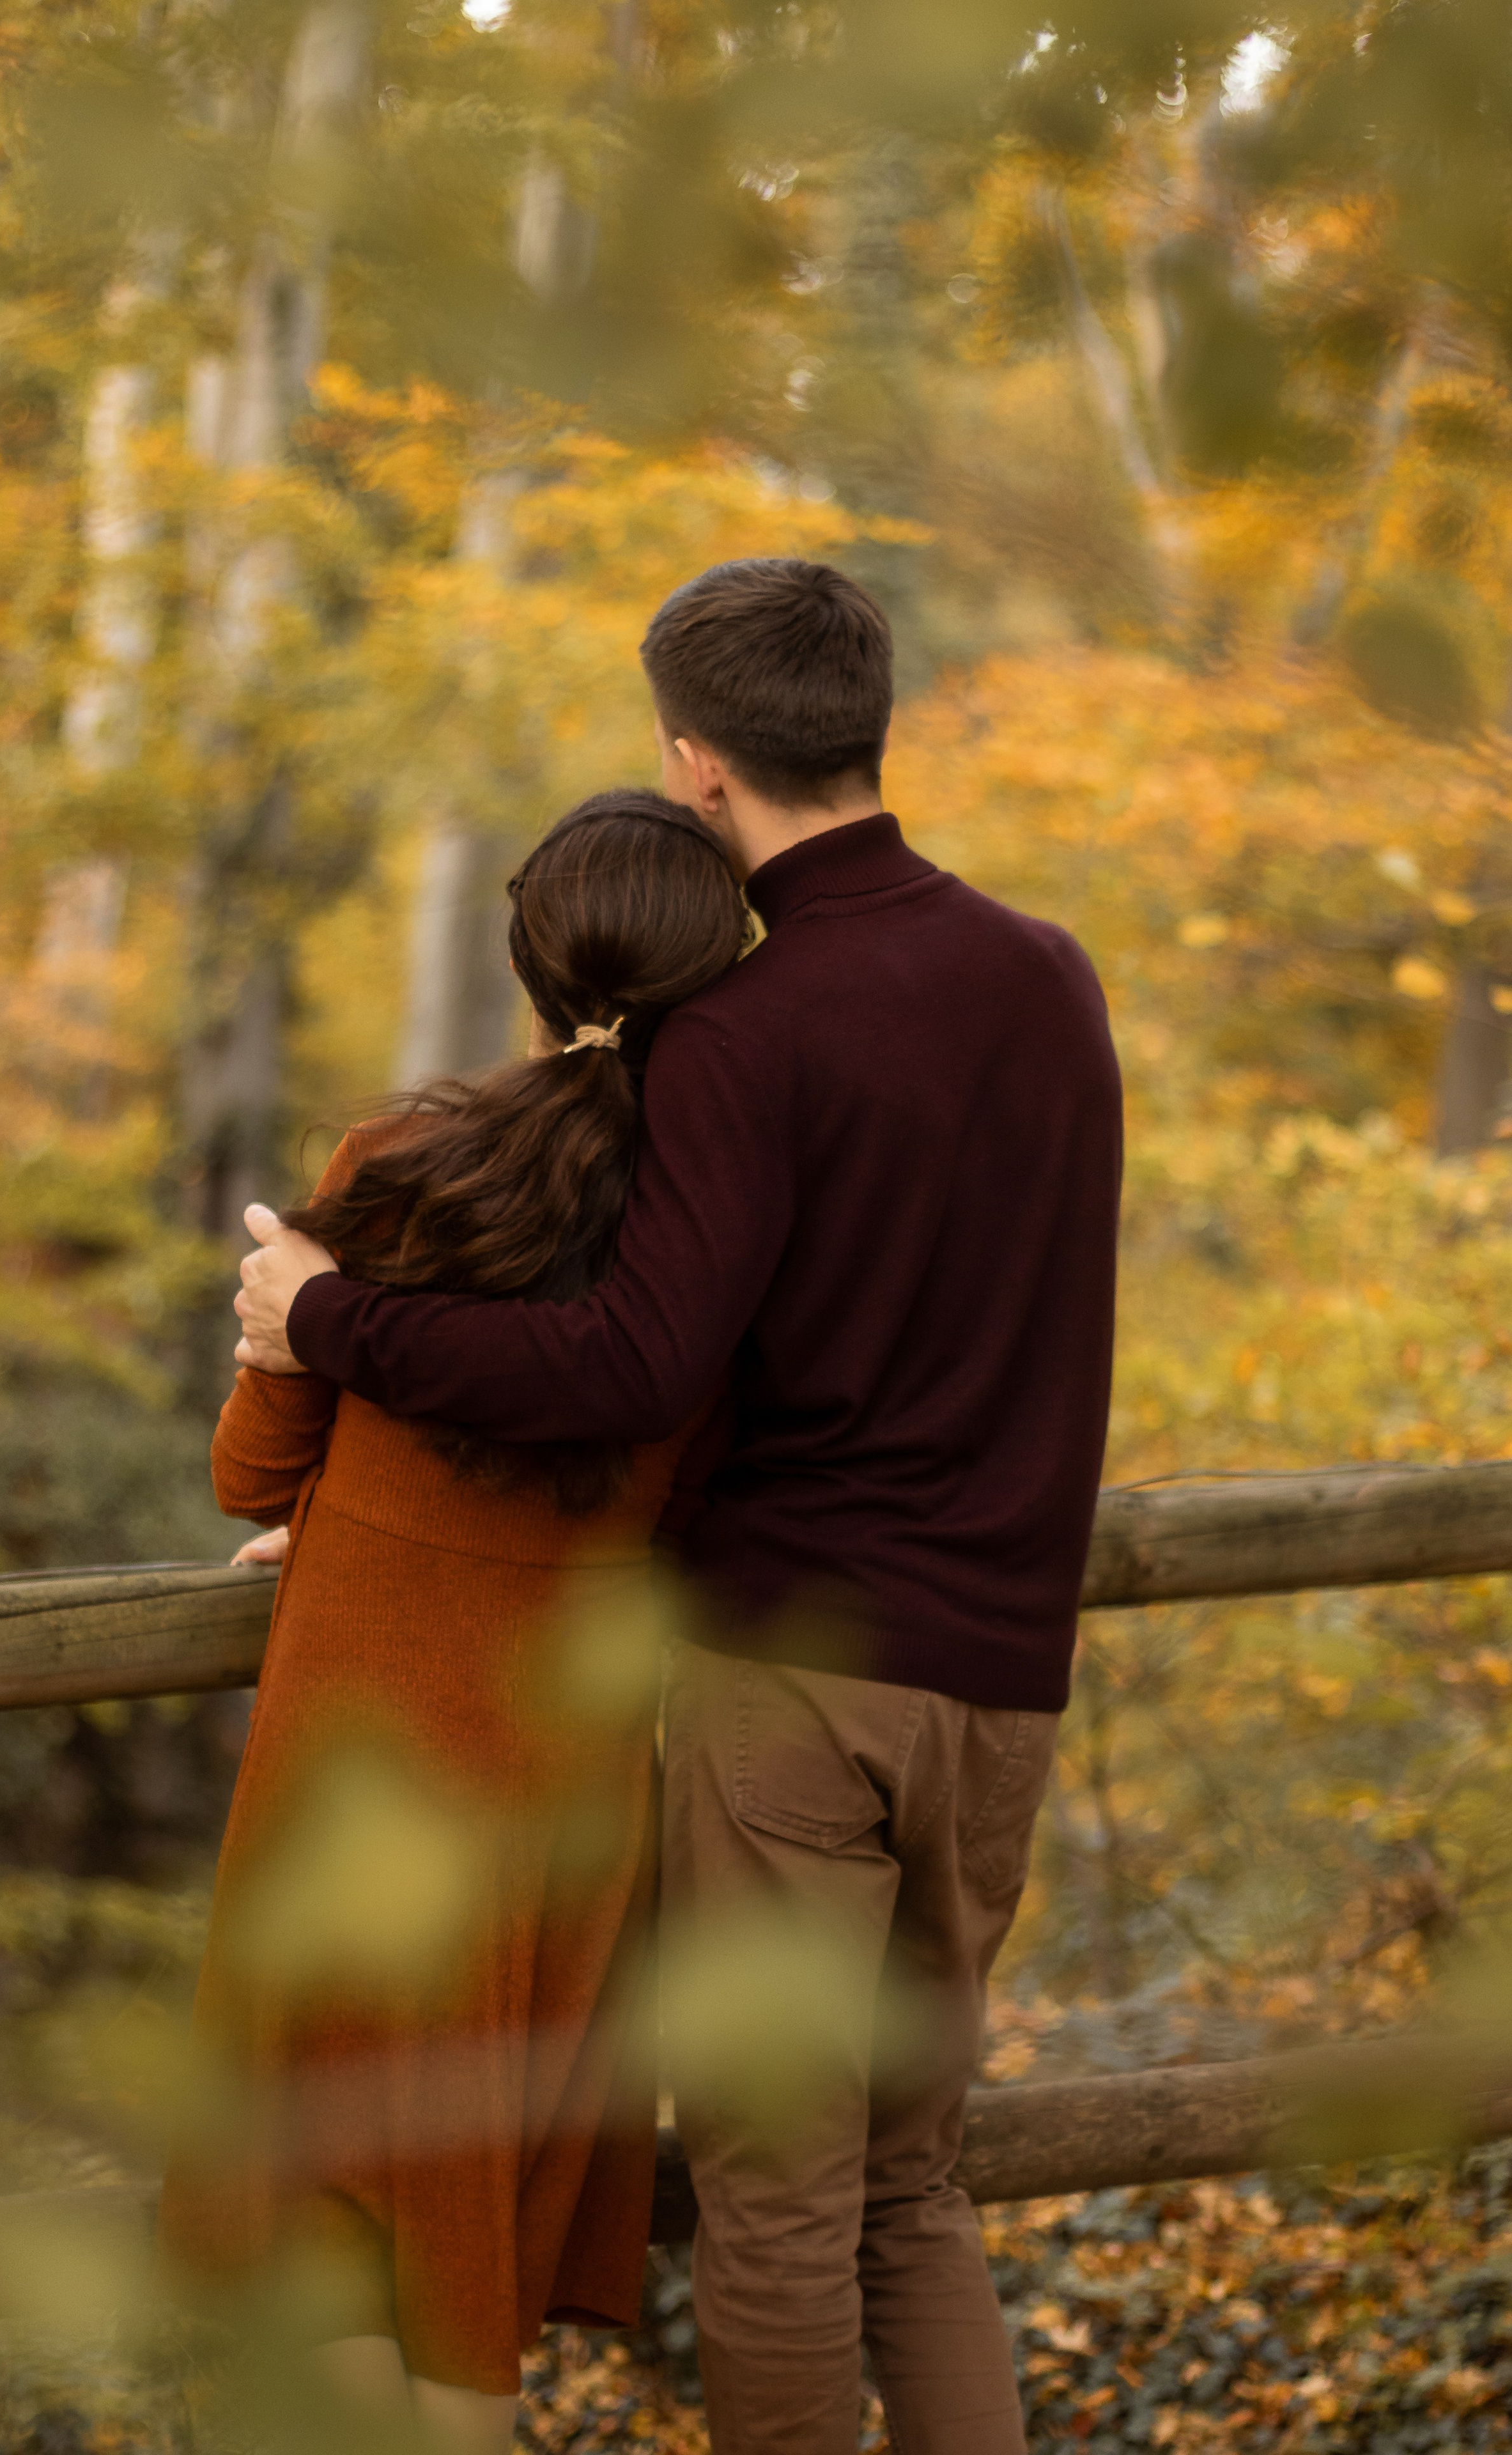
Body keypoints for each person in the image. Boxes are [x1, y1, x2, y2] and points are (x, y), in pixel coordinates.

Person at [235, 557, 1123, 2455]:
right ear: (872, 724)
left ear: (694, 763)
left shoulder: (744, 1028)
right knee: (917, 2183)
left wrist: (329, 1317)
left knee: (783, 2195)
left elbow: (633, 1371)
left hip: (795, 1676)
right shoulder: (1048, 974)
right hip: (1006, 1674)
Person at [157, 789, 753, 2455]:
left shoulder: (395, 1161)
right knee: (468, 2187)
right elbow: (691, 1497)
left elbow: (246, 1468)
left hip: (357, 1734)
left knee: (332, 2182)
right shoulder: (715, 1233)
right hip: (557, 1770)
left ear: (529, 965)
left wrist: (346, 1512)